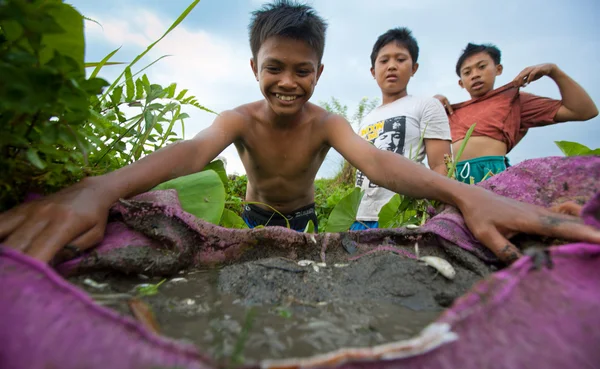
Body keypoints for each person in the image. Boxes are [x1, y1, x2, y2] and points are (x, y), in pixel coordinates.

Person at [0, 1, 599, 265]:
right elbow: (192, 151)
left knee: (302, 279)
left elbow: (379, 164)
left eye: (302, 70)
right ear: (254, 68)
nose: (288, 82)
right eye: (274, 68)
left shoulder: (328, 122)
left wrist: (467, 193)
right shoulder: (239, 118)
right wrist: (99, 188)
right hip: (258, 219)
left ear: (319, 71)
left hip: (307, 220)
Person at [435, 43, 598, 184]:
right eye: (467, 72)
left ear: (498, 69)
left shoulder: (512, 100)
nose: (475, 74)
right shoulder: (448, 112)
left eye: (482, 66)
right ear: (461, 82)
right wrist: (432, 105)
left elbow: (584, 111)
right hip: (454, 180)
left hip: (492, 177)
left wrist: (554, 71)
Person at [351, 28, 451, 231]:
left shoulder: (427, 105)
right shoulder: (368, 118)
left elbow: (441, 165)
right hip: (361, 216)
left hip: (405, 214)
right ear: (373, 71)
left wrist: (438, 215)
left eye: (400, 59)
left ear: (414, 68)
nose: (392, 66)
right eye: (384, 60)